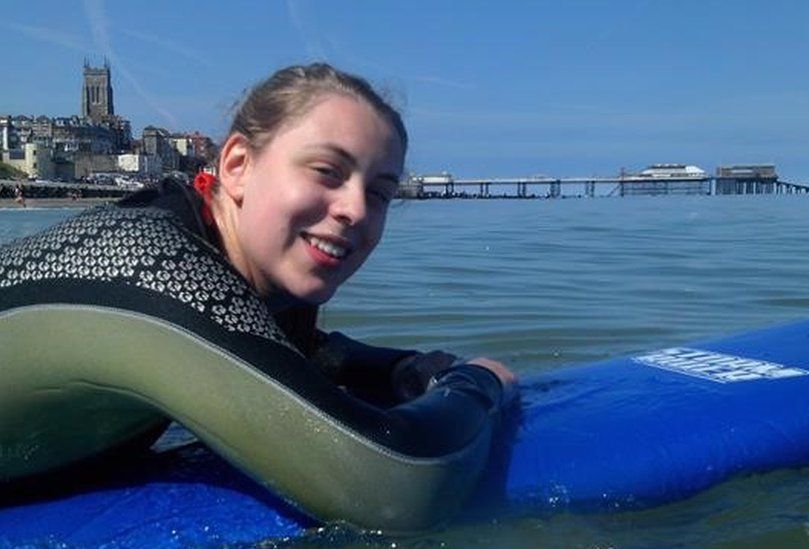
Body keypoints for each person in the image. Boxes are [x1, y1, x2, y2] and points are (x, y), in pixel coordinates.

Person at [0, 63, 517, 531]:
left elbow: (318, 358)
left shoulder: (236, 283)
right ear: (237, 165)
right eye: (327, 172)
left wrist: (421, 367)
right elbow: (398, 486)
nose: (356, 209)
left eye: (379, 192)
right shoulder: (148, 263)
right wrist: (479, 384)